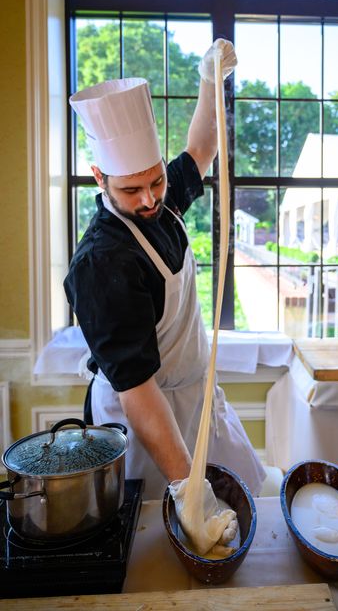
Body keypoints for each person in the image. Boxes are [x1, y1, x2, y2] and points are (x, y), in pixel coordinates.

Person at [64, 39, 266, 501]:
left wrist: (210, 81)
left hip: (194, 395)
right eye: (132, 189)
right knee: (159, 539)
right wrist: (189, 488)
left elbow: (202, 147)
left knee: (247, 501)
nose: (151, 199)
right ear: (100, 178)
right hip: (143, 421)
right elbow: (138, 392)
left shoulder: (162, 200)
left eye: (156, 180)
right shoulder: (101, 263)